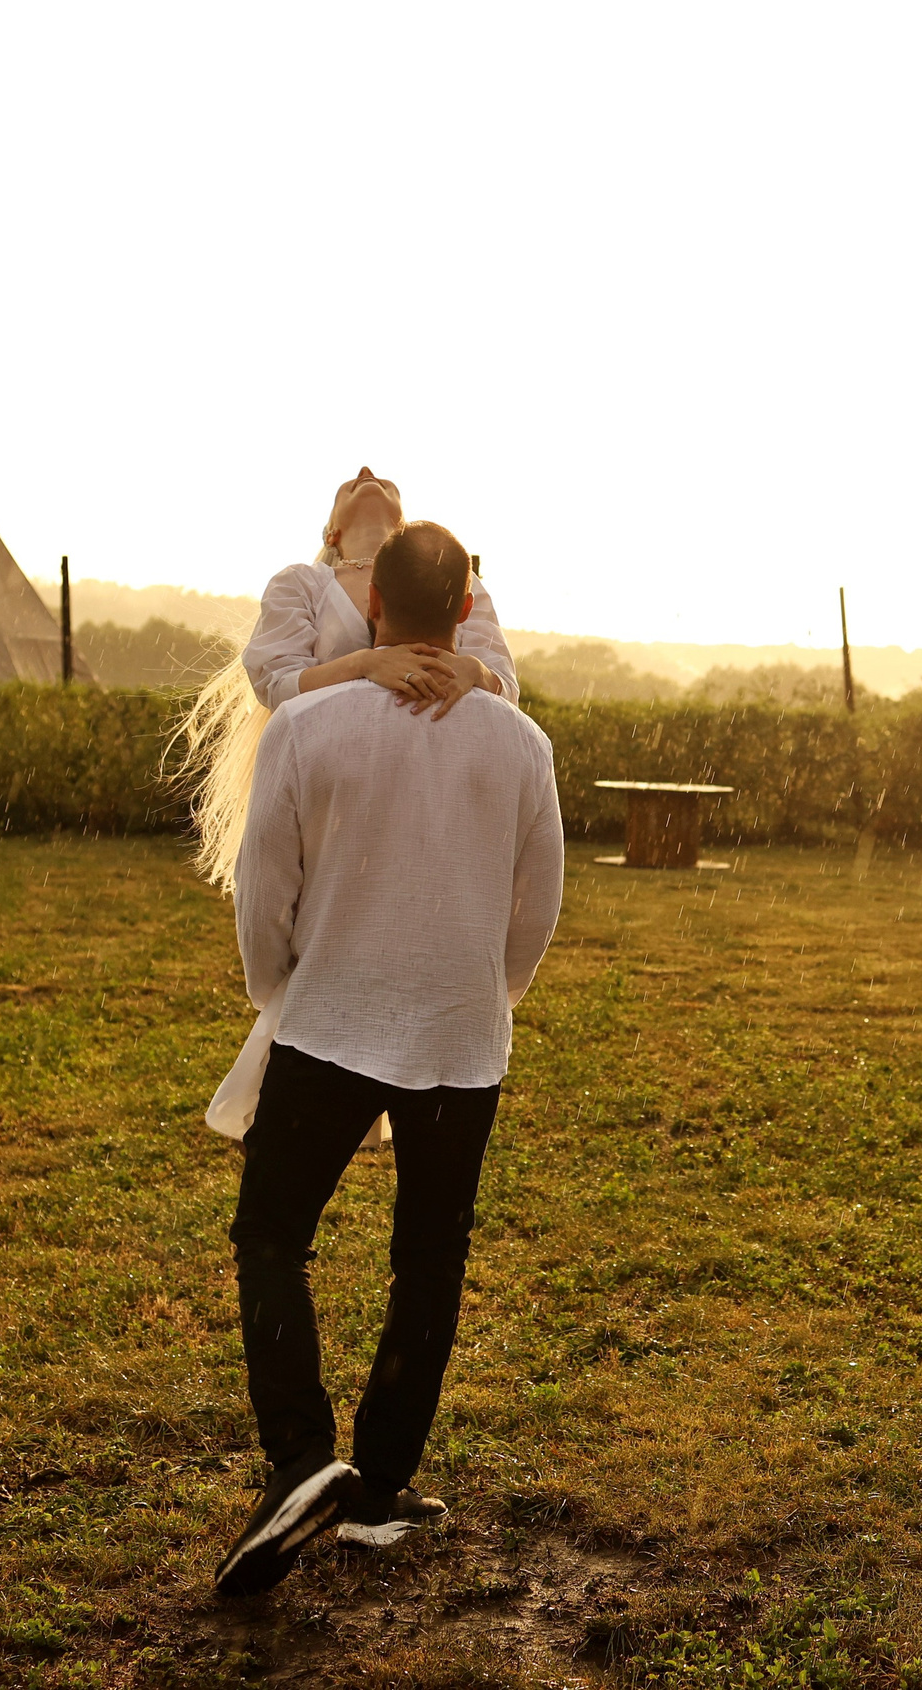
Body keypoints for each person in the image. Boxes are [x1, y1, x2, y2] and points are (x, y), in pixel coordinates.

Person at [211, 520, 565, 1598]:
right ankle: (376, 1493)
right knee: (430, 1257)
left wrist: (282, 988)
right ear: (465, 609)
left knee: (272, 1233)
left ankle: (299, 1459)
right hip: (461, 1041)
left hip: (330, 1023)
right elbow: (538, 903)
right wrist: (484, 994)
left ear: (370, 610)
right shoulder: (520, 743)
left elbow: (261, 890)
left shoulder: (308, 727)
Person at [176, 467, 521, 899]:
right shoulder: (301, 584)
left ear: (403, 528)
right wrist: (364, 664)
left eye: (385, 480)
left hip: (435, 778)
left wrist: (474, 670)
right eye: (348, 484)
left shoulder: (450, 579)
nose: (366, 472)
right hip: (338, 778)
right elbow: (275, 682)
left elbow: (505, 687)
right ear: (332, 533)